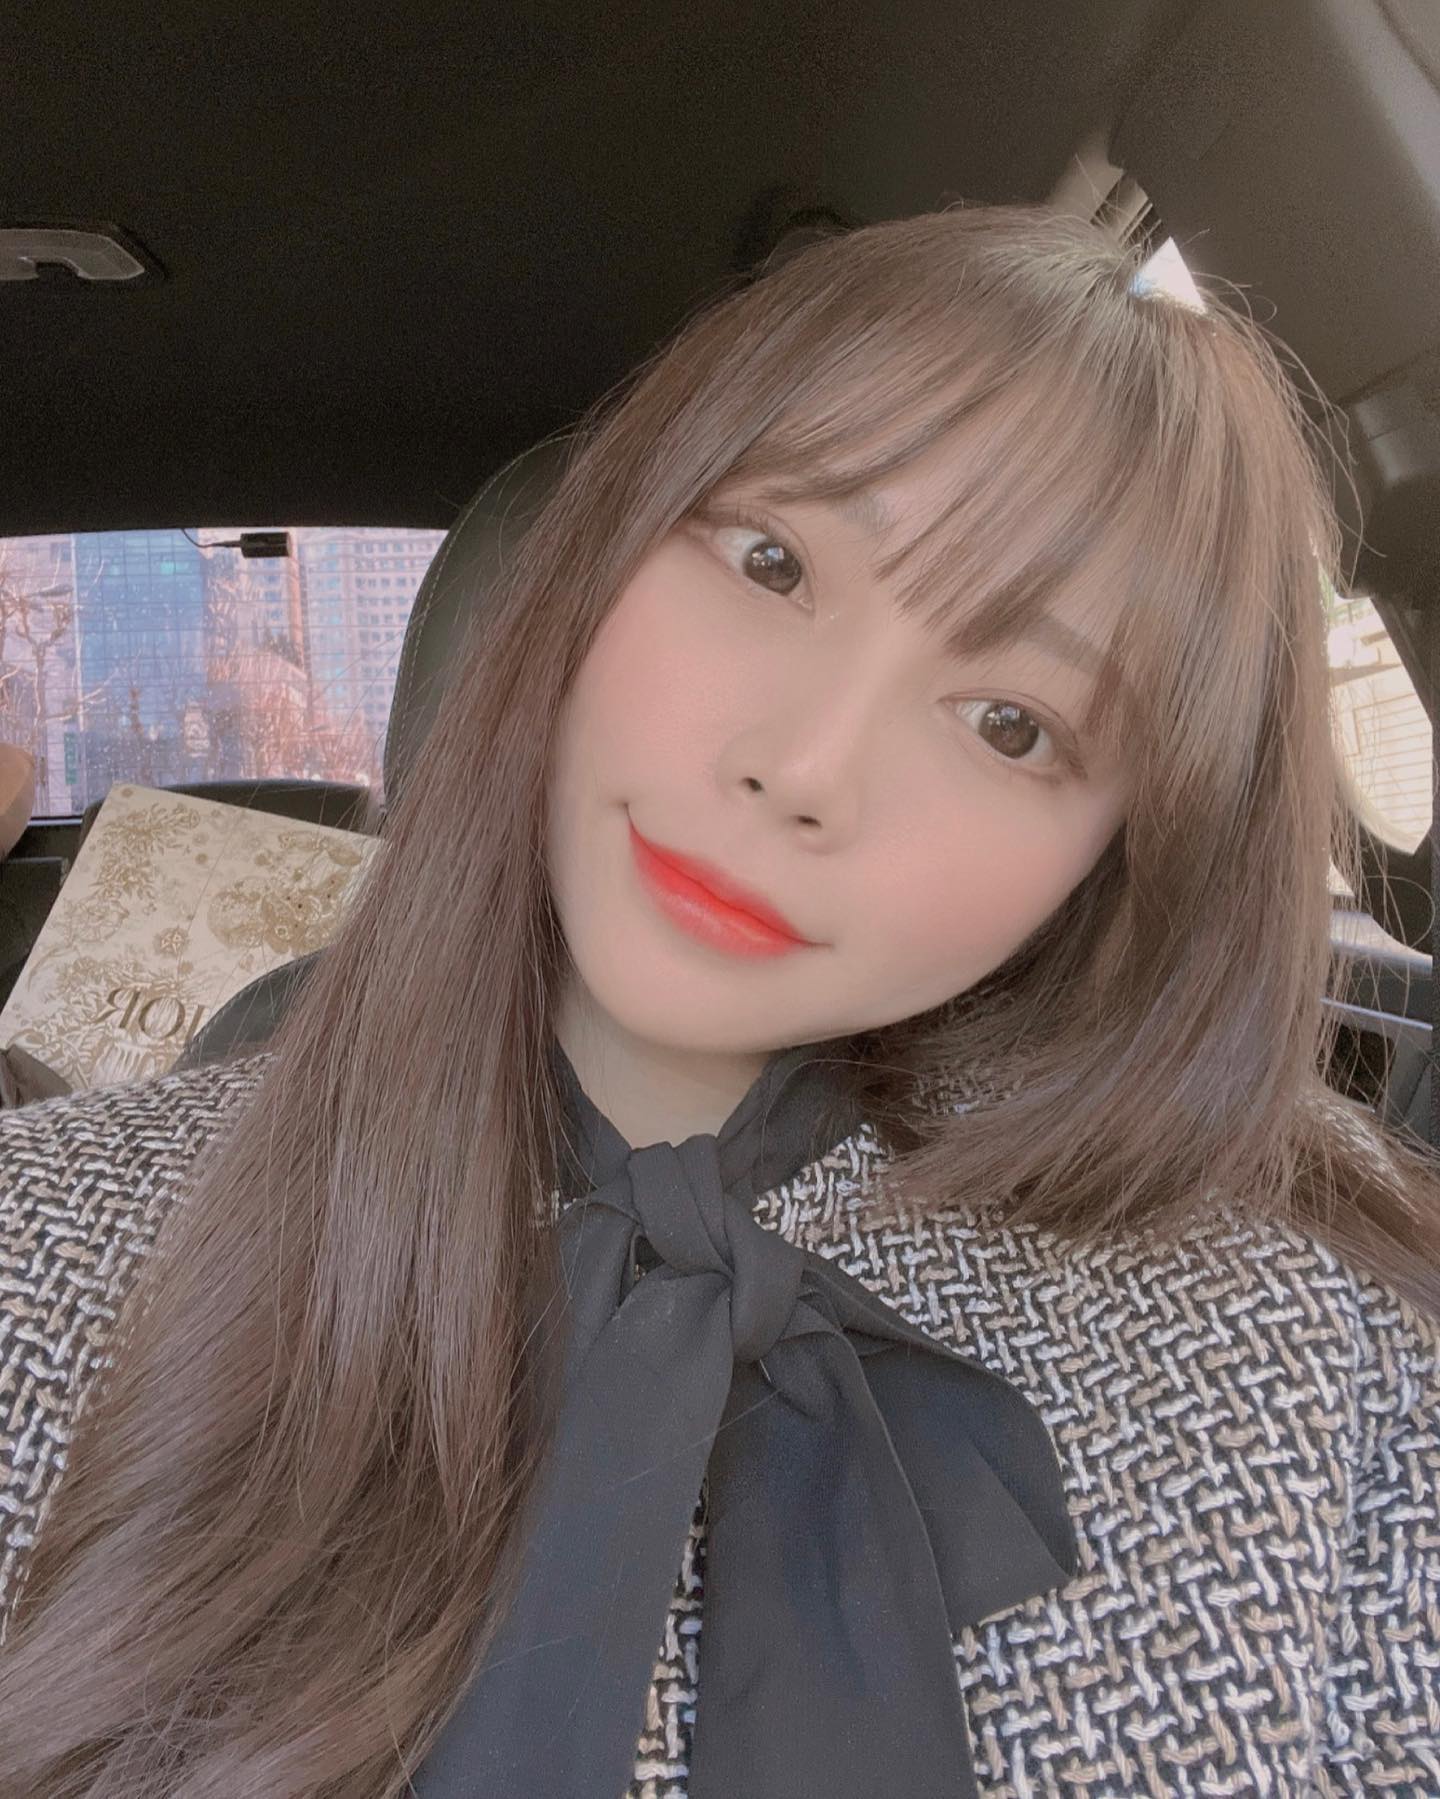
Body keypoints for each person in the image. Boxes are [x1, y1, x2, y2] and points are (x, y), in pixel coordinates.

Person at [0, 203, 1436, 1797]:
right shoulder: (36, 1237)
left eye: (1012, 723)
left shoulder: (1322, 1353)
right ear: (594, 557)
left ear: (1117, 849)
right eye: (772, 563)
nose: (804, 767)